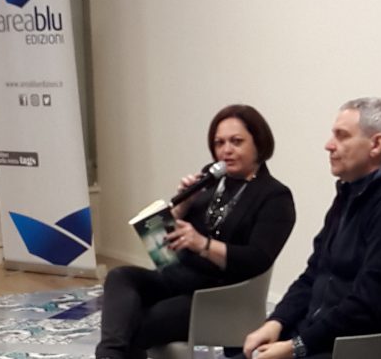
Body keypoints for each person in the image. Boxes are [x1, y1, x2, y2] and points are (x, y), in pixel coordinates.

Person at [243, 97, 381, 359]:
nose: (328, 145)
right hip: (325, 336)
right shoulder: (350, 194)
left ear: (376, 144)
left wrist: (296, 347)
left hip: (366, 347)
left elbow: (371, 305)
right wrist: (276, 321)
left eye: (342, 136)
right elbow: (314, 274)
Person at [96, 104, 296, 359]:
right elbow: (169, 237)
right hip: (180, 277)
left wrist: (203, 245)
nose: (226, 150)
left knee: (134, 322)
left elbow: (257, 259)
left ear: (259, 143)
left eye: (236, 142)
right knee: (120, 277)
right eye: (219, 143)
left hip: (221, 295)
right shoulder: (211, 179)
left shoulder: (274, 196)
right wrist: (183, 205)